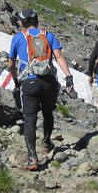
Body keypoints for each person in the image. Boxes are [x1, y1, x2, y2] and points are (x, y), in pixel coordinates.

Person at [8, 9, 75, 171]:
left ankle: (32, 158)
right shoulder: (49, 35)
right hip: (48, 83)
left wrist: (16, 79)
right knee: (47, 113)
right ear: (37, 20)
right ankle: (46, 143)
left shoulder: (18, 38)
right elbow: (59, 56)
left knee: (29, 119)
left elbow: (11, 64)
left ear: (22, 23)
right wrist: (68, 76)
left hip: (29, 83)